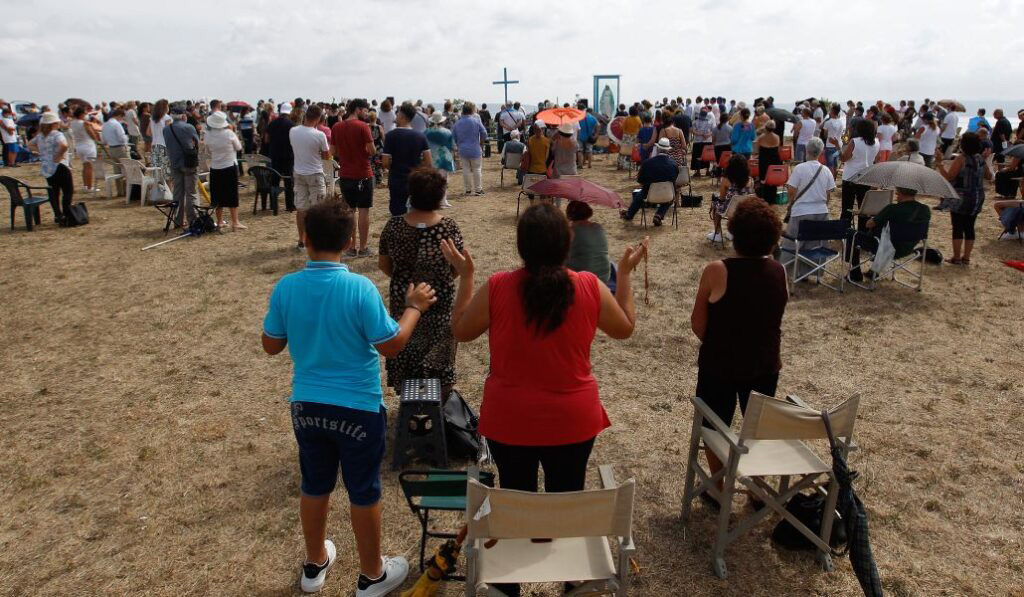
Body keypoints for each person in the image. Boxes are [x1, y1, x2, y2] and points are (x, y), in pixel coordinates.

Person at [439, 203, 647, 597]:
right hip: (574, 420)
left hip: (508, 420)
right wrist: (628, 276)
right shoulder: (588, 285)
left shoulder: (499, 285)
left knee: (516, 498)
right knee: (565, 501)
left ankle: (513, 578)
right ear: (567, 244)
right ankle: (571, 577)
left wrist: (465, 276)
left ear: (522, 246)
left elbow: (460, 330)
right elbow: (625, 327)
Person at [262, 201, 434, 596]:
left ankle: (314, 563)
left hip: (307, 406)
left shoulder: (287, 287)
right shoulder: (359, 288)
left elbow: (271, 345)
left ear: (305, 238)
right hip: (357, 407)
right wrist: (414, 308)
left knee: (314, 484)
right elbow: (392, 345)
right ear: (351, 239)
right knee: (364, 489)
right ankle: (372, 575)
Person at [691, 197, 787, 501]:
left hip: (720, 363)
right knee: (756, 426)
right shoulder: (779, 271)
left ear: (735, 233)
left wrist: (721, 341)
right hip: (764, 364)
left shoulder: (717, 270)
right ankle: (758, 489)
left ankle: (718, 488)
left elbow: (698, 324)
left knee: (714, 424)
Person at [378, 167, 463, 394]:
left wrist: (405, 280)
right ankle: (441, 392)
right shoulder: (448, 227)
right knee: (440, 346)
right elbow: (458, 266)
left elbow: (384, 264)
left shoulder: (394, 226)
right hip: (440, 298)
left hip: (404, 298)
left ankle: (408, 391)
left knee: (406, 343)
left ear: (411, 194)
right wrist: (440, 279)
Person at [847, 187, 932, 280]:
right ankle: (874, 271)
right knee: (887, 231)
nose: (896, 195)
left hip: (886, 248)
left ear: (901, 193)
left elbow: (868, 225)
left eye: (897, 193)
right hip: (909, 248)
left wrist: (874, 217)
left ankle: (855, 273)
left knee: (850, 233)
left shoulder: (893, 208)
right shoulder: (925, 209)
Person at [935, 132, 992, 266]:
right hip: (977, 196)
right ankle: (966, 258)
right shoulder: (979, 158)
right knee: (970, 227)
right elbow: (989, 176)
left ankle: (956, 257)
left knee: (958, 227)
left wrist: (940, 164)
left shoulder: (961, 158)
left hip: (961, 197)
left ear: (963, 145)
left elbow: (949, 177)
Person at [780, 138, 834, 275]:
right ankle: (811, 272)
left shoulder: (800, 168)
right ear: (821, 152)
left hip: (801, 211)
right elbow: (828, 195)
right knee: (815, 244)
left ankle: (785, 270)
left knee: (791, 244)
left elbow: (791, 190)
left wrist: (792, 202)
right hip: (821, 211)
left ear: (806, 151)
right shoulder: (826, 170)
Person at [332, 98, 377, 255]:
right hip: (363, 173)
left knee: (350, 211)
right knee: (364, 211)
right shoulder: (363, 126)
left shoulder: (336, 126)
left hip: (345, 174)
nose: (366, 113)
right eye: (365, 110)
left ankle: (351, 246)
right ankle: (363, 247)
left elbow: (333, 152)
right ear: (358, 109)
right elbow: (372, 151)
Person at [290, 104, 331, 250]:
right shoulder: (320, 135)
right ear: (319, 118)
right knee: (318, 209)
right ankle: (316, 240)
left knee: (301, 209)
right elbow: (327, 157)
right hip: (315, 173)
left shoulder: (293, 131)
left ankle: (301, 240)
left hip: (299, 172)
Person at [382, 102, 431, 217]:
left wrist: (392, 167)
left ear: (403, 117)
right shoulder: (421, 136)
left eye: (398, 114)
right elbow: (428, 162)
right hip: (415, 179)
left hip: (396, 179)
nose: (396, 116)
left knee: (397, 213)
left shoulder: (390, 136)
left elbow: (385, 162)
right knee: (416, 212)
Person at [620, 138, 679, 226]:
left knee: (638, 195)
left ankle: (629, 214)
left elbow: (640, 180)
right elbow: (674, 180)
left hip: (649, 195)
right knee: (670, 197)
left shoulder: (647, 163)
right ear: (668, 151)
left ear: (658, 149)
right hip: (667, 195)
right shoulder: (674, 164)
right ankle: (659, 215)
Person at [29, 113, 73, 226]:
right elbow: (64, 145)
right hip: (60, 165)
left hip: (47, 167)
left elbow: (29, 144)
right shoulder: (57, 134)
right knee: (67, 191)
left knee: (54, 193)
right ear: (53, 124)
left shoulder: (40, 136)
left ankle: (58, 215)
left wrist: (41, 152)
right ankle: (66, 214)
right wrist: (58, 154)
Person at [205, 111, 244, 230]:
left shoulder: (208, 135)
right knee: (232, 194)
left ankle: (220, 221)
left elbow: (207, 151)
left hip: (215, 167)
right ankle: (235, 222)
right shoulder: (229, 133)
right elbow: (239, 147)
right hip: (229, 166)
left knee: (217, 195)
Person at [163, 104, 201, 228]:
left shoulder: (166, 129)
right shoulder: (188, 127)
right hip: (188, 162)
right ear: (183, 115)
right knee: (191, 193)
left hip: (174, 163)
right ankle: (192, 220)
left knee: (177, 193)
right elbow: (197, 141)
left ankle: (178, 221)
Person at [840, 118, 880, 222]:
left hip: (850, 176)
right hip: (866, 176)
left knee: (847, 207)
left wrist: (837, 146)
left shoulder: (855, 141)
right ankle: (862, 233)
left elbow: (844, 158)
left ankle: (845, 232)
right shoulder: (876, 142)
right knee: (863, 208)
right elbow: (877, 159)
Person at [566, 200, 612, 287]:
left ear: (569, 214)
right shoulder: (598, 227)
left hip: (584, 280)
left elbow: (562, 254)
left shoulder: (571, 230)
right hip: (604, 277)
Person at [709, 154, 752, 242]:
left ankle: (718, 234)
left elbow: (721, 198)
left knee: (715, 205)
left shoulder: (726, 180)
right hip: (744, 210)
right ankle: (733, 233)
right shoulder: (750, 180)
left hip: (730, 210)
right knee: (734, 206)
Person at [452, 102, 488, 195]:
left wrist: (458, 144)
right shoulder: (476, 121)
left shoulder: (457, 123)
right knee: (477, 169)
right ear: (472, 110)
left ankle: (468, 190)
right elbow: (484, 133)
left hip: (462, 149)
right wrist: (481, 143)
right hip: (475, 148)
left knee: (465, 169)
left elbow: (454, 137)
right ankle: (478, 189)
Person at [268, 104, 297, 212]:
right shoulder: (291, 125)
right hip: (288, 156)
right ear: (289, 112)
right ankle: (290, 206)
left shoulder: (272, 123)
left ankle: (273, 204)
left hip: (275, 155)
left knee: (274, 181)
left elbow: (266, 139)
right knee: (289, 181)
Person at [424, 112, 455, 207]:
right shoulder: (447, 132)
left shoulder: (426, 132)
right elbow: (452, 146)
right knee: (443, 180)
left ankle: (433, 201)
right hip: (444, 159)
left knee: (431, 181)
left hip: (430, 158)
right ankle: (443, 200)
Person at [69, 106, 100, 191]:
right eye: (85, 113)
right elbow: (91, 134)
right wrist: (96, 138)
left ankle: (85, 185)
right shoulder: (84, 123)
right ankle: (89, 187)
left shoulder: (73, 123)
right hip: (88, 145)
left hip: (79, 146)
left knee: (85, 167)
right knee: (89, 167)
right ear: (81, 114)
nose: (86, 115)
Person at [101, 107, 129, 196]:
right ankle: (128, 191)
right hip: (120, 148)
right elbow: (121, 137)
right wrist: (126, 142)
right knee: (128, 169)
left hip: (111, 149)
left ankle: (120, 191)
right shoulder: (117, 124)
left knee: (117, 170)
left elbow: (104, 140)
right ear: (119, 116)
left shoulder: (105, 125)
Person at [755, 121, 782, 202]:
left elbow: (756, 150)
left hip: (764, 160)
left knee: (764, 179)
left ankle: (765, 197)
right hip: (775, 160)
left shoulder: (761, 137)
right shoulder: (777, 137)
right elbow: (778, 149)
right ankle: (772, 197)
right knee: (773, 179)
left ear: (766, 128)